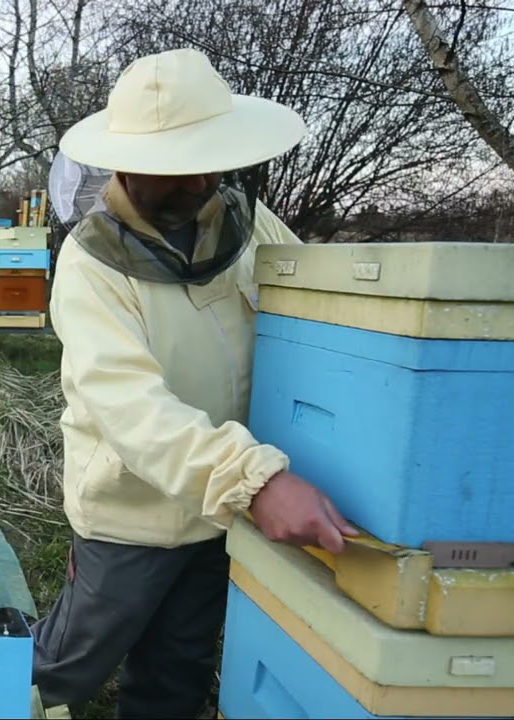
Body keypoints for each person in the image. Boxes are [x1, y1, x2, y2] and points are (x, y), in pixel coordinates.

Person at [31, 47, 358, 719]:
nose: (200, 182)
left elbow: (326, 314)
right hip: (133, 513)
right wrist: (256, 481)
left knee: (177, 671)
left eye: (207, 162)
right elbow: (132, 408)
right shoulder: (91, 265)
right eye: (176, 171)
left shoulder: (250, 225)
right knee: (71, 662)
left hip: (220, 511)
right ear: (125, 165)